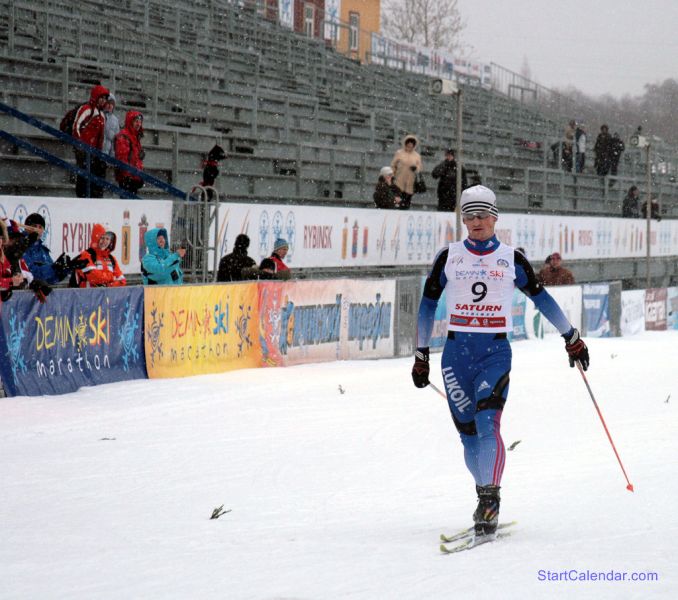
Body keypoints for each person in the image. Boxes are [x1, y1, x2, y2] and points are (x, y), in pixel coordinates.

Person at [411, 185, 590, 542]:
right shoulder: (449, 256)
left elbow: (542, 299)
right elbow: (428, 305)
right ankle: (482, 495)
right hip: (455, 355)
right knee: (468, 436)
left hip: (494, 353)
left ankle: (491, 498)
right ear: (462, 219)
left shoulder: (512, 259)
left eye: (482, 216)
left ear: (495, 218)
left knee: (488, 422)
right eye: (469, 216)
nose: (476, 223)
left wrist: (570, 336)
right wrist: (420, 354)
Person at [21, 213, 85, 285]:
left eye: (40, 227)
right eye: (34, 226)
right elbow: (30, 274)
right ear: (26, 228)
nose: (37, 230)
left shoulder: (43, 250)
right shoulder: (20, 247)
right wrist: (54, 268)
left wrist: (66, 269)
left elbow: (51, 280)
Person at [73, 83, 110, 198]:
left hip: (94, 153)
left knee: (96, 176)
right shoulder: (86, 109)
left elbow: (101, 137)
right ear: (96, 97)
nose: (103, 101)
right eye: (101, 98)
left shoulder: (102, 116)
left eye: (105, 99)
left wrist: (98, 153)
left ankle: (95, 197)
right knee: (83, 177)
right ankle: (83, 197)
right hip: (83, 150)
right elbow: (76, 126)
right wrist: (79, 146)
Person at [114, 111, 145, 194]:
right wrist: (128, 176)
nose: (138, 124)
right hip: (128, 178)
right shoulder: (124, 136)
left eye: (140, 122)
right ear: (130, 122)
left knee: (131, 205)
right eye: (136, 121)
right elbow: (122, 158)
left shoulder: (135, 137)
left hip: (133, 177)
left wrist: (139, 175)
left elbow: (136, 159)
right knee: (127, 204)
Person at [391, 134, 422, 209]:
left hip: (410, 184)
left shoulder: (417, 156)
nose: (410, 146)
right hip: (399, 182)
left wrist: (416, 168)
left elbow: (420, 167)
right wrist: (392, 175)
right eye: (408, 144)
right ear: (405, 144)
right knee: (397, 204)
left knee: (406, 205)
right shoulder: (399, 153)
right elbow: (393, 165)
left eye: (412, 145)